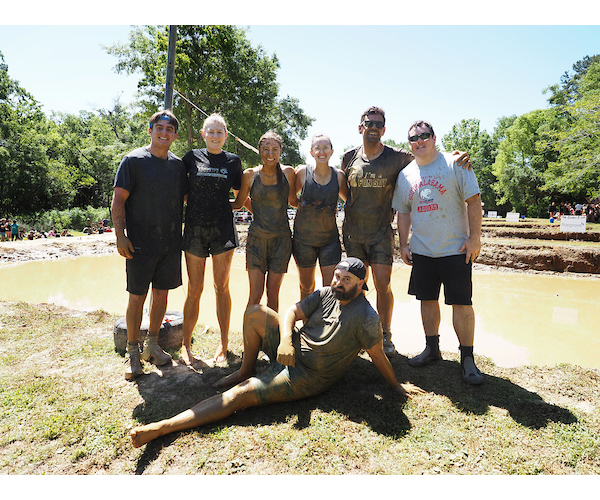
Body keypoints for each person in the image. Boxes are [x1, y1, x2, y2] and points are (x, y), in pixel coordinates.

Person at [129, 257, 424, 448]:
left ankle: (160, 428)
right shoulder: (325, 294)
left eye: (346, 280)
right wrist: (285, 341)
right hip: (290, 350)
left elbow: (377, 355)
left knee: (240, 395)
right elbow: (291, 312)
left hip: (308, 376)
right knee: (256, 312)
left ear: (361, 285)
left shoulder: (367, 317)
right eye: (336, 276)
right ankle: (246, 367)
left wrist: (395, 386)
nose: (338, 283)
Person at [341, 106, 471, 357]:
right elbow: (346, 194)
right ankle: (352, 333)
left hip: (381, 233)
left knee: (382, 285)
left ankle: (384, 334)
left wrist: (455, 157)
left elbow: (429, 158)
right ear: (360, 127)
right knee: (353, 284)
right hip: (353, 233)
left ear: (384, 129)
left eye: (379, 124)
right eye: (369, 123)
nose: (374, 128)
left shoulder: (399, 157)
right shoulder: (348, 158)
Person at [392, 120, 484, 385]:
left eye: (424, 136)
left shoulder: (456, 164)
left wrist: (474, 237)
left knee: (462, 303)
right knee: (427, 300)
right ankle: (432, 349)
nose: (419, 141)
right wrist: (404, 244)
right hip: (423, 250)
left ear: (434, 138)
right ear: (409, 144)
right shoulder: (406, 174)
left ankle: (467, 358)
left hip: (455, 248)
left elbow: (473, 200)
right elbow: (404, 212)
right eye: (413, 138)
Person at [111, 110, 188, 380]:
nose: (164, 132)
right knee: (136, 296)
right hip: (139, 243)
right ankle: (133, 352)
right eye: (160, 127)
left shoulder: (179, 166)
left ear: (175, 136)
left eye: (169, 129)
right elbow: (118, 200)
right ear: (150, 130)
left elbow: (189, 197)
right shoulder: (133, 161)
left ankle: (153, 344)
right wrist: (120, 235)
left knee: (163, 295)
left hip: (169, 243)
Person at [180, 113, 244, 366]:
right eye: (211, 131)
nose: (215, 136)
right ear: (203, 134)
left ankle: (224, 344)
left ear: (225, 136)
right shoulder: (190, 158)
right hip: (194, 230)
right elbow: (181, 194)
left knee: (222, 287)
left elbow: (240, 198)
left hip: (222, 232)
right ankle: (186, 345)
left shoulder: (233, 161)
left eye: (220, 132)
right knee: (194, 289)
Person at [232, 131, 297, 313]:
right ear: (259, 150)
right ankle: (249, 338)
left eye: (274, 149)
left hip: (282, 241)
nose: (270, 154)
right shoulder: (250, 175)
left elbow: (293, 202)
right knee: (255, 294)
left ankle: (271, 338)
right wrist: (214, 200)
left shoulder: (289, 173)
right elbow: (238, 203)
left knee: (273, 294)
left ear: (280, 151)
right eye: (266, 149)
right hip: (256, 241)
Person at [292, 134, 349, 299]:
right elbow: (291, 199)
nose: (321, 151)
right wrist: (310, 208)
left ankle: (326, 324)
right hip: (303, 241)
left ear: (332, 151)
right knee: (306, 286)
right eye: (317, 148)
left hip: (329, 241)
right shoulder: (302, 172)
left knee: (330, 288)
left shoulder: (338, 176)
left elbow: (349, 202)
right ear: (311, 152)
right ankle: (307, 324)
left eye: (325, 148)